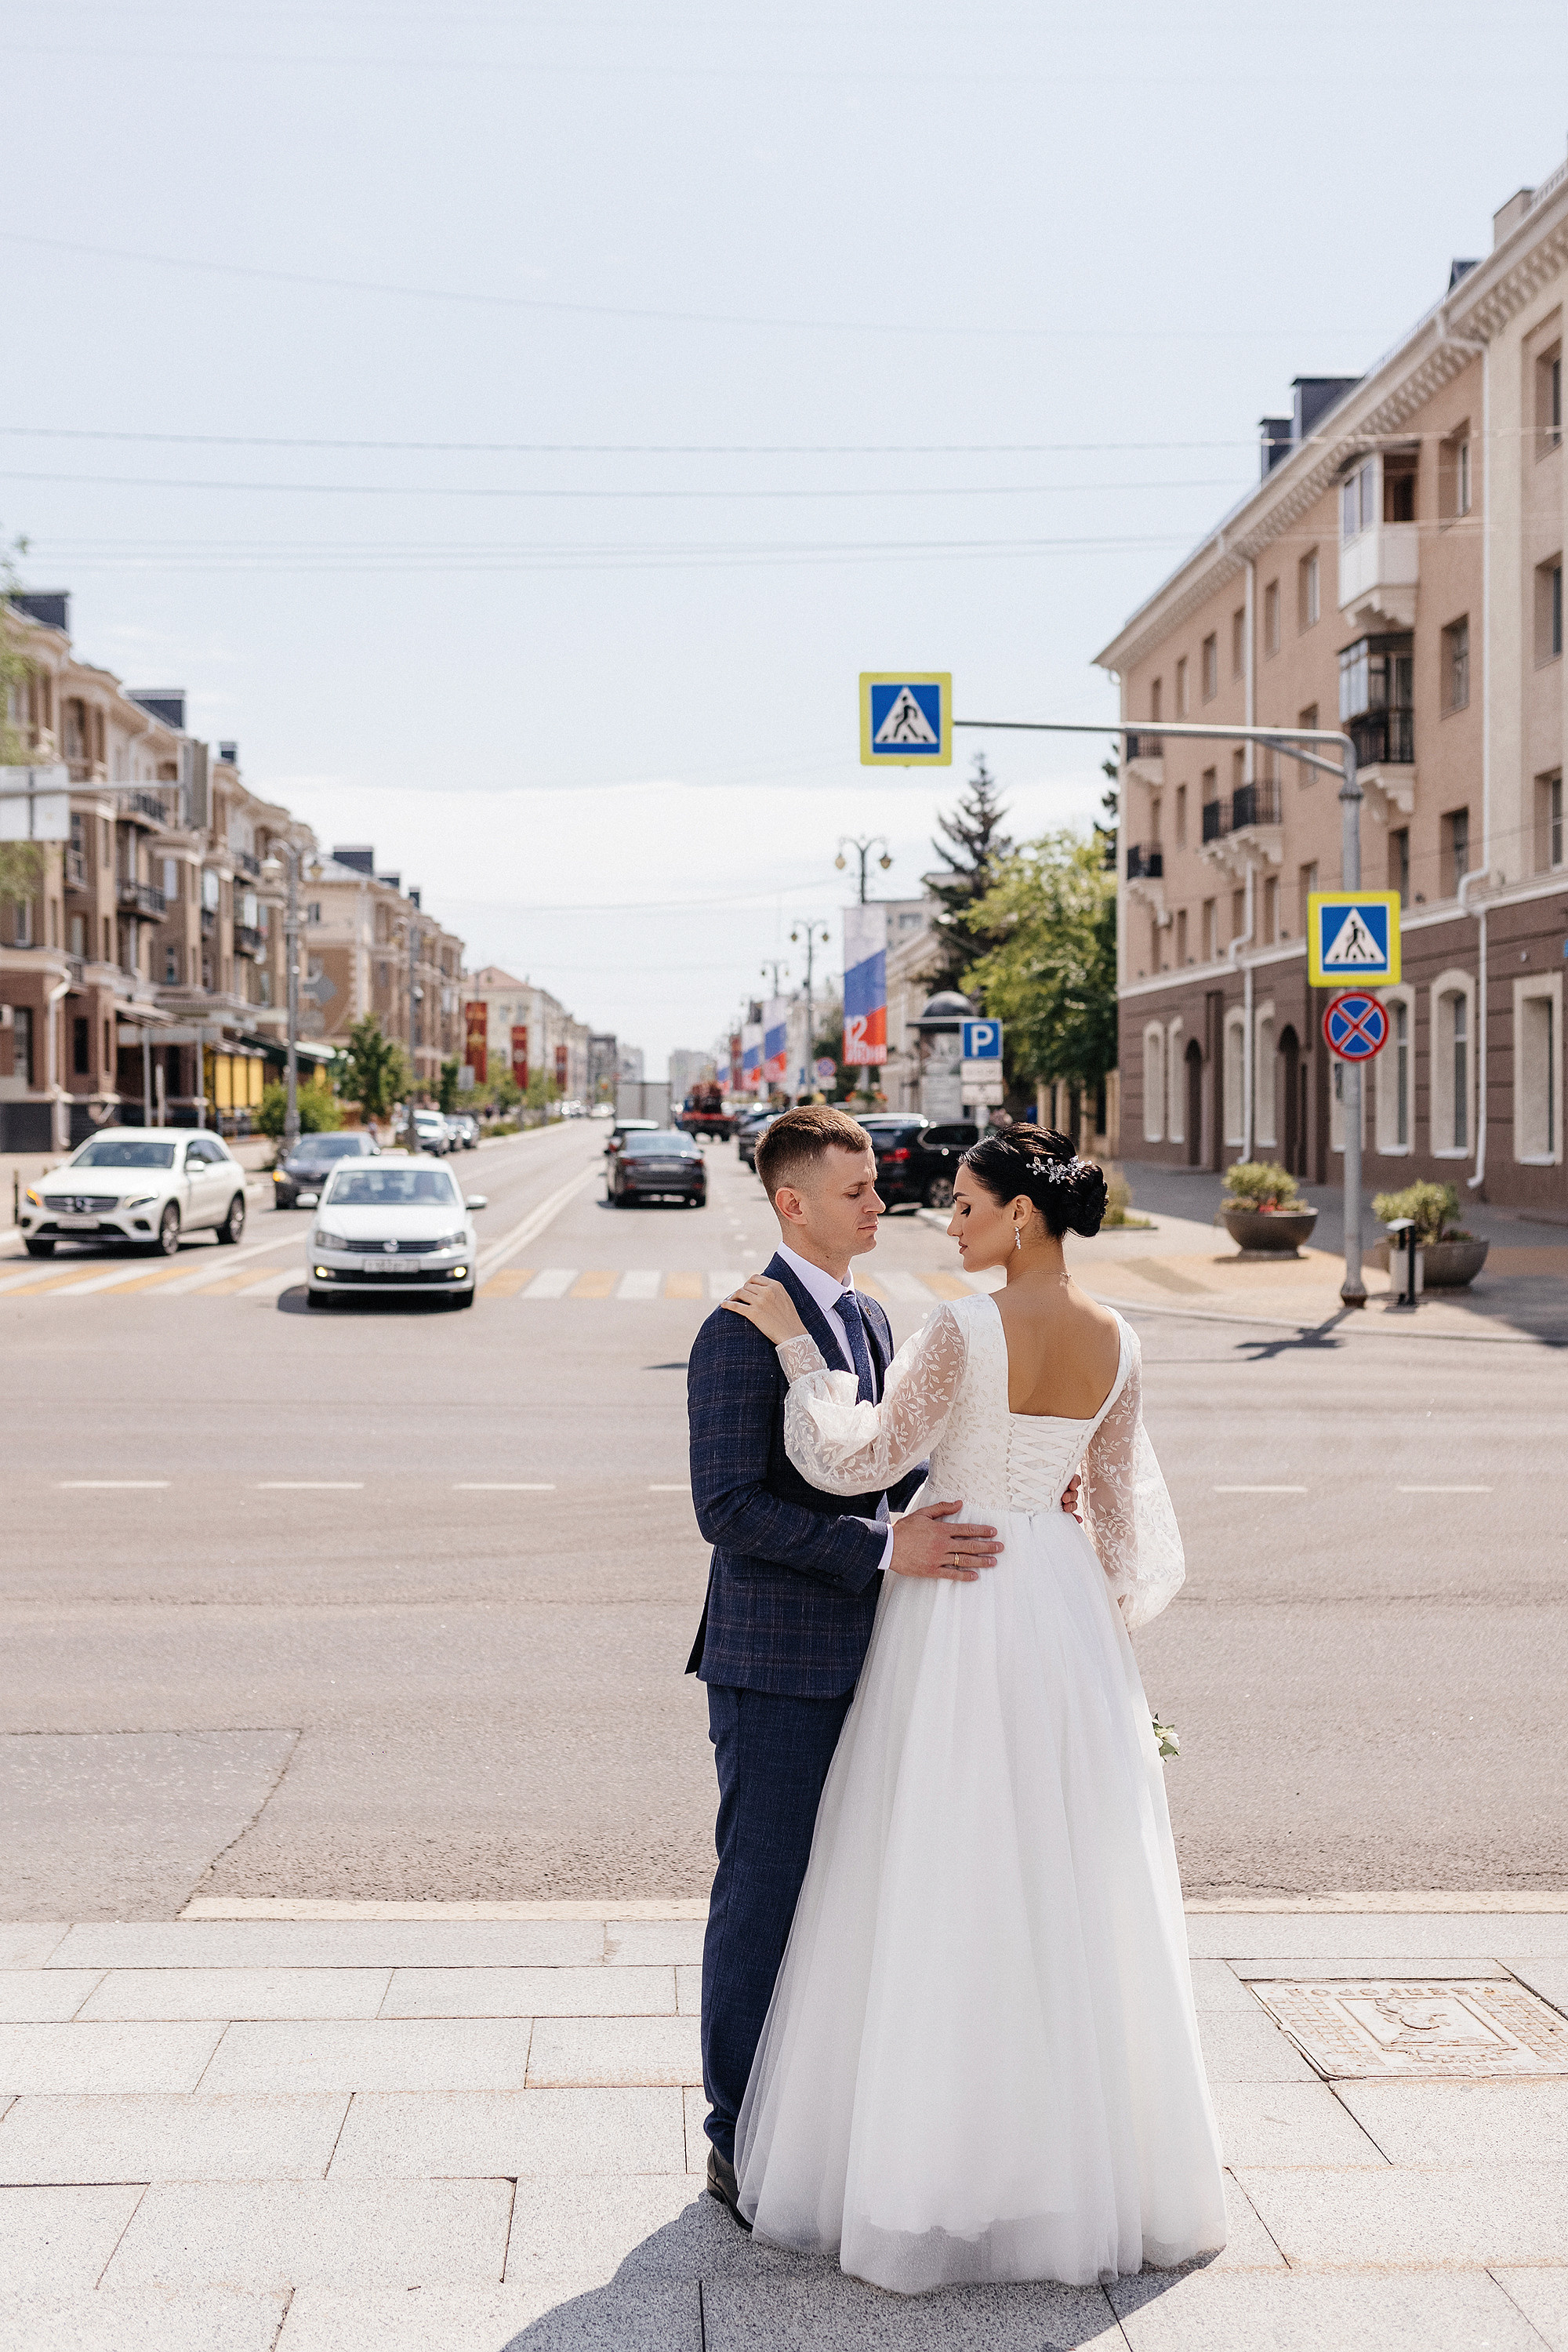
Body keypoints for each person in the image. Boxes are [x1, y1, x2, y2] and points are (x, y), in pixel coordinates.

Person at [719, 1123, 1226, 2293]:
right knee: (1064, 1883)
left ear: (1023, 1218)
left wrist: (800, 1351)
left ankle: (934, 2173)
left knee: (943, 1876)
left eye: (962, 1206)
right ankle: (1076, 2169)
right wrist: (1088, 1640)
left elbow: (858, 1461)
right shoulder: (1121, 1341)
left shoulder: (963, 1327)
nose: (945, 1225)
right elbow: (1123, 1530)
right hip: (1060, 1613)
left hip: (960, 1599)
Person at [685, 1105, 1034, 2228]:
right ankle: (736, 2140)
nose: (881, 1203)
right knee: (768, 1900)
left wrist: (1024, 1497)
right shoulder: (739, 1331)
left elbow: (904, 1463)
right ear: (793, 1204)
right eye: (857, 1191)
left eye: (877, 1187)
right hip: (777, 1668)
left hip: (881, 1661)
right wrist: (888, 1550)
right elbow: (728, 1509)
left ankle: (822, 2126)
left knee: (855, 1905)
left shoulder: (876, 1320)